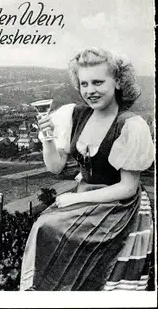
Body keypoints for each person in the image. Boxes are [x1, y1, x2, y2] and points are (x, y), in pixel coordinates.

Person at [20, 47, 155, 291]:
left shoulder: (131, 125)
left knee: (51, 229)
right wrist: (47, 138)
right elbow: (55, 167)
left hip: (120, 206)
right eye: (84, 84)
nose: (90, 91)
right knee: (44, 227)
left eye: (98, 82)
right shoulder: (74, 115)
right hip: (86, 197)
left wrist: (74, 198)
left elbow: (127, 188)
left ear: (117, 82)